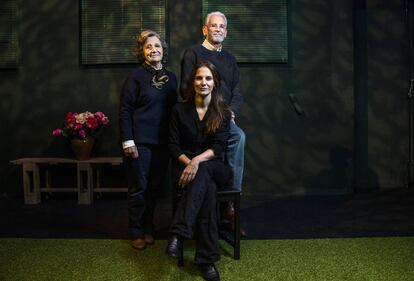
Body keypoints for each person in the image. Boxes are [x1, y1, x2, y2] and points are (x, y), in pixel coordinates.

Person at [180, 11, 246, 234]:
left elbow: (237, 91)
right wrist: (208, 109)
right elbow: (184, 89)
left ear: (225, 32)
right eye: (213, 26)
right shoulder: (193, 53)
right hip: (202, 115)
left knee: (238, 137)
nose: (217, 29)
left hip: (225, 116)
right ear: (205, 30)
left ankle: (230, 205)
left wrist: (231, 113)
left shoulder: (230, 59)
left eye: (221, 27)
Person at [166, 61, 231, 281]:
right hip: (185, 168)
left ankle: (178, 232)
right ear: (192, 82)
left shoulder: (222, 112)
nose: (203, 82)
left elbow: (219, 148)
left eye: (208, 78)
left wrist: (196, 162)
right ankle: (207, 260)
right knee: (207, 191)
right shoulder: (178, 110)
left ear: (215, 83)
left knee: (205, 173)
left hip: (216, 167)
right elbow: (173, 146)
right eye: (198, 78)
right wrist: (190, 163)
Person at [119, 30, 177, 250]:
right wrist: (128, 141)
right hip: (140, 142)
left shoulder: (172, 78)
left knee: (154, 189)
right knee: (139, 188)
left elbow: (175, 111)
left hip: (163, 143)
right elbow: (125, 110)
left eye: (157, 46)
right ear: (142, 51)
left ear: (163, 50)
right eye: (149, 47)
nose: (154, 50)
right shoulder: (135, 77)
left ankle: (149, 228)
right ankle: (136, 230)